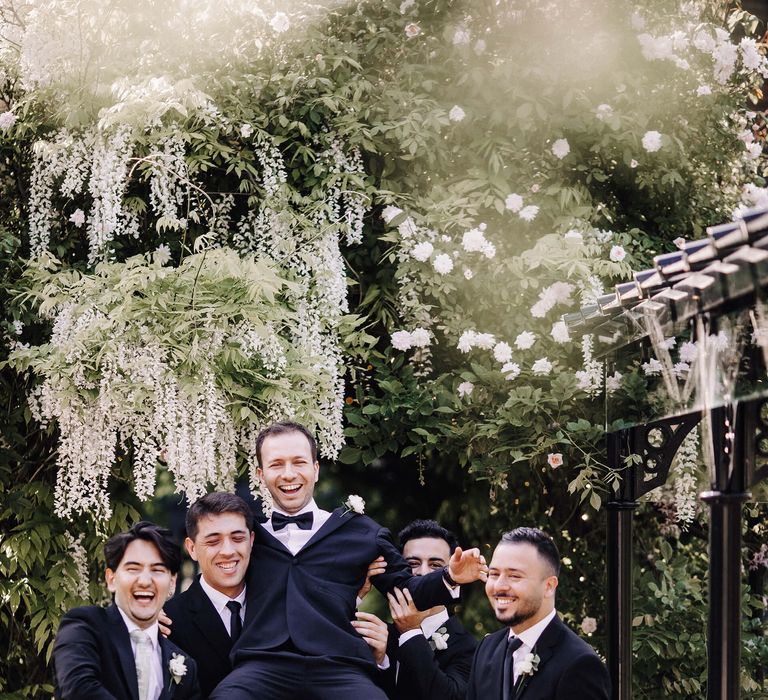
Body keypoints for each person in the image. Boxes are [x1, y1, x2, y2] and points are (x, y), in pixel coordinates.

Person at [210, 421, 488, 700]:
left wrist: (449, 577)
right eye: (276, 464)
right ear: (260, 474)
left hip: (339, 665)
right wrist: (164, 613)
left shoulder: (361, 532)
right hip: (261, 665)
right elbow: (211, 580)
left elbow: (405, 587)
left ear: (315, 469)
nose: (289, 474)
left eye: (299, 462)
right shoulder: (245, 537)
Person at [53, 521, 200, 700]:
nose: (145, 580)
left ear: (172, 582)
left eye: (157, 569)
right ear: (111, 579)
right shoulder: (84, 627)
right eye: (133, 569)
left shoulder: (186, 666)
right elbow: (79, 690)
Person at [467, 527, 610, 700]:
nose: (499, 586)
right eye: (494, 574)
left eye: (514, 576)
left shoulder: (580, 664)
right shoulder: (486, 649)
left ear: (549, 586)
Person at [164, 492, 254, 697]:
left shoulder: (276, 607)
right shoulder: (169, 621)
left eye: (237, 538)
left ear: (251, 540)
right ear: (192, 548)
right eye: (213, 541)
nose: (227, 551)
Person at [377, 519, 478, 700]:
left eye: (436, 565)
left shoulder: (467, 647)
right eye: (412, 564)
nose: (422, 572)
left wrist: (411, 633)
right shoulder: (381, 637)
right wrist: (379, 662)